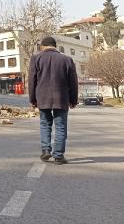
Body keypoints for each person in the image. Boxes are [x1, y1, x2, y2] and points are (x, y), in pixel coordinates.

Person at [28, 36, 78, 165]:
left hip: (42, 97)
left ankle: (46, 150)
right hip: (61, 98)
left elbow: (32, 81)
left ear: (42, 46)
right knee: (61, 127)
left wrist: (33, 99)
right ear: (55, 46)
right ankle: (58, 156)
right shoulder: (67, 60)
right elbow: (73, 83)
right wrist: (73, 100)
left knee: (45, 124)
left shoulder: (36, 59)